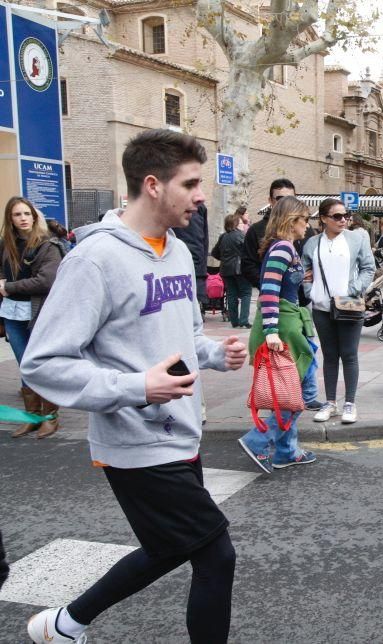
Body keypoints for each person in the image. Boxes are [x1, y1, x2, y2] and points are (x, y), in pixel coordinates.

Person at [20, 128, 247, 644]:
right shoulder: (93, 260)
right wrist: (137, 387)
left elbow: (185, 336)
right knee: (216, 554)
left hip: (181, 429)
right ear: (153, 185)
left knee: (170, 546)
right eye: (190, 184)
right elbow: (43, 363)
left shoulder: (176, 252)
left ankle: (63, 624)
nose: (201, 196)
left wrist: (215, 353)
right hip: (135, 441)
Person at [237, 196, 319, 473]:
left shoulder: (287, 249)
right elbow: (269, 291)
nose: (308, 225)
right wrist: (271, 331)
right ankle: (258, 441)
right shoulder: (283, 248)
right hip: (281, 327)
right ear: (291, 220)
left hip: (290, 324)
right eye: (305, 219)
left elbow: (280, 286)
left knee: (293, 390)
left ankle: (285, 451)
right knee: (300, 389)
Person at [303, 198, 375, 424]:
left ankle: (350, 403)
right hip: (322, 308)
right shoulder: (312, 243)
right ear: (324, 218)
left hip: (349, 306)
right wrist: (311, 292)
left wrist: (353, 290)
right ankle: (331, 403)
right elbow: (305, 270)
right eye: (337, 216)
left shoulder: (356, 239)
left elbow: (368, 268)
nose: (343, 219)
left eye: (346, 215)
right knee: (330, 355)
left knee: (350, 355)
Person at [1, 197, 64, 439]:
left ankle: (50, 418)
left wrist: (9, 287)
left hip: (39, 314)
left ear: (34, 217)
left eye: (27, 214)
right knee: (25, 366)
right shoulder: (6, 244)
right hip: (12, 314)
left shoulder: (48, 245)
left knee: (41, 365)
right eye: (17, 214)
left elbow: (47, 281)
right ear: (11, 219)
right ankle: (32, 417)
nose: (23, 218)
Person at [240, 178, 295, 289]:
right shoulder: (256, 230)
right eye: (280, 198)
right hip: (271, 295)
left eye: (290, 199)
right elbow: (248, 265)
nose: (285, 203)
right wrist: (268, 285)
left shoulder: (303, 228)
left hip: (301, 299)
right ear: (270, 200)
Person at [211, 213, 251, 328]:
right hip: (240, 269)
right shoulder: (241, 236)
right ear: (235, 224)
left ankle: (234, 321)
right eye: (240, 223)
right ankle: (244, 321)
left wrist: (224, 259)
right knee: (246, 293)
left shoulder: (223, 237)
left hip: (225, 270)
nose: (242, 225)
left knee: (231, 294)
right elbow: (247, 251)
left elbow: (214, 252)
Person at [172, 202, 210, 313]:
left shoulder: (199, 207)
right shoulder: (198, 207)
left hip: (191, 261)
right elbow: (203, 240)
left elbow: (203, 239)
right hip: (193, 260)